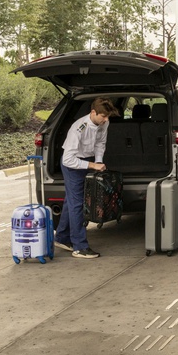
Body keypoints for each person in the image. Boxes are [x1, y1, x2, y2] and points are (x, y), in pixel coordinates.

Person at [54, 97, 117, 259]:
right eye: (103, 116)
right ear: (93, 112)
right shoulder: (78, 129)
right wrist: (92, 166)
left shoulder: (104, 123)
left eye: (108, 116)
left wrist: (98, 161)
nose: (106, 120)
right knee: (77, 204)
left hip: (87, 162)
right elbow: (68, 160)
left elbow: (100, 143)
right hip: (71, 165)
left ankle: (61, 237)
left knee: (71, 200)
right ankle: (79, 246)